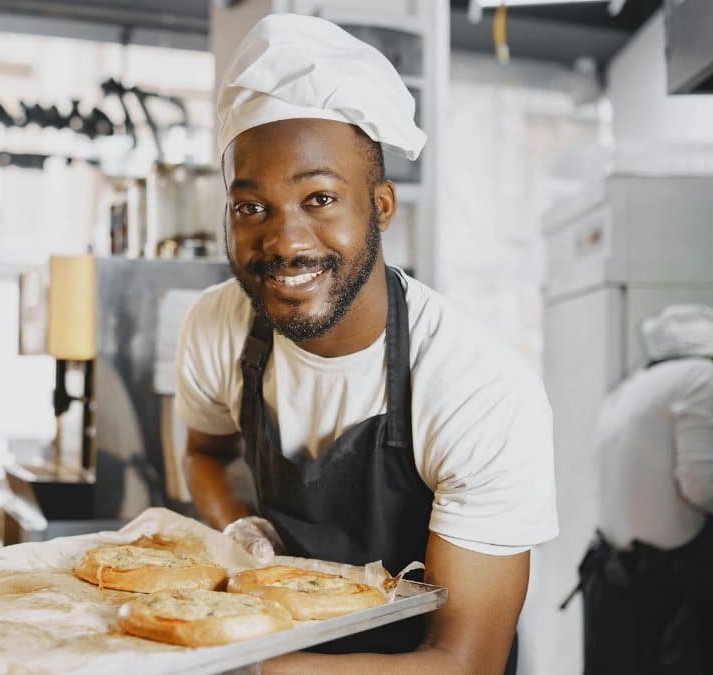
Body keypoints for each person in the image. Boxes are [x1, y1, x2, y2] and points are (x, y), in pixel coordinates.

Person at [175, 14, 557, 674]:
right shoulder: (217, 329)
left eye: (319, 197)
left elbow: (463, 661)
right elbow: (203, 452)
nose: (285, 240)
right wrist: (242, 530)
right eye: (249, 206)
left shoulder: (476, 386)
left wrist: (250, 666)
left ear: (381, 206)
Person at [571, 305, 713, 674]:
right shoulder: (702, 378)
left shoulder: (633, 385)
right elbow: (702, 485)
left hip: (614, 574)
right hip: (668, 583)